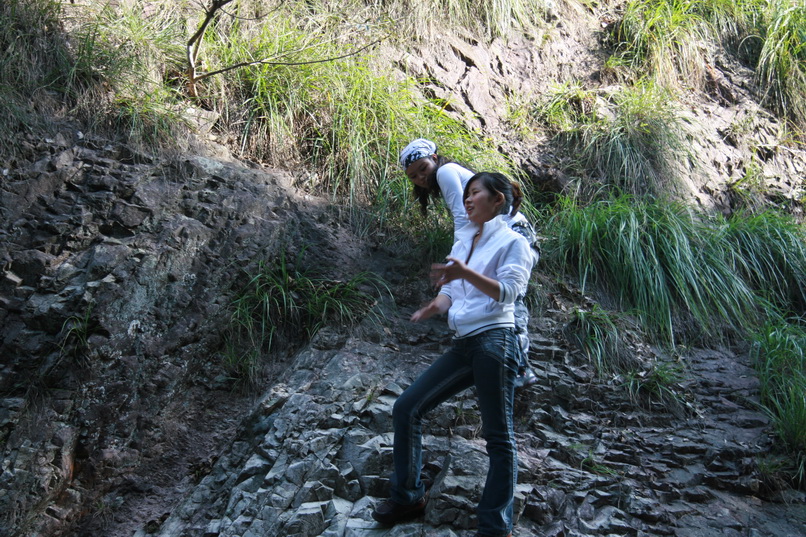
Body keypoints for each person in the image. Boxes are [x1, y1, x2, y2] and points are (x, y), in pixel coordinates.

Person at [372, 172, 534, 537]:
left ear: (498, 199)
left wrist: (465, 273)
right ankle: (409, 496)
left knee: (499, 437)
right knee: (406, 407)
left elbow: (508, 293)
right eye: (465, 195)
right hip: (463, 345)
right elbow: (454, 294)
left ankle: (495, 526)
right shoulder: (463, 243)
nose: (467, 199)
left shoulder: (514, 242)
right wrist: (435, 305)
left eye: (475, 192)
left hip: (496, 341)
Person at [399, 138, 539, 388]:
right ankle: (505, 363)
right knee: (492, 293)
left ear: (433, 158)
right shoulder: (444, 174)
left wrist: (459, 257)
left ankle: (520, 365)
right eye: (413, 176)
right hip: (498, 236)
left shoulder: (444, 171)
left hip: (514, 232)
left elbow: (462, 220)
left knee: (510, 294)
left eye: (422, 168)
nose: (421, 177)